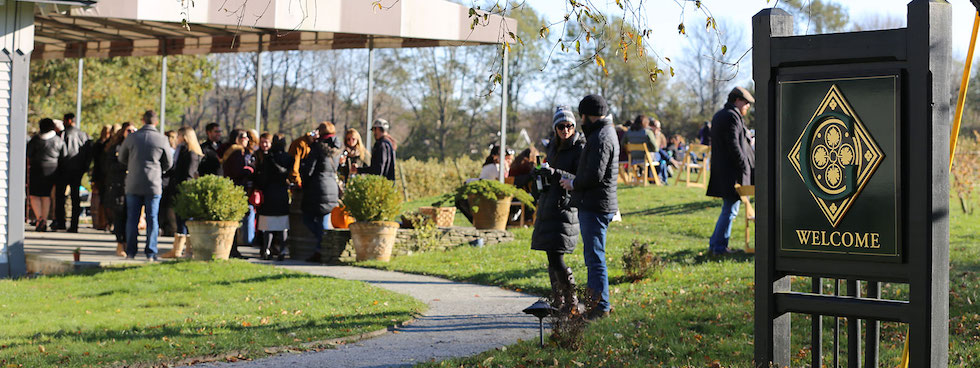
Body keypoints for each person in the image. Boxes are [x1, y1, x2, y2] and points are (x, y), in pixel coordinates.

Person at [559, 94, 618, 321]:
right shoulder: (603, 133)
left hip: (595, 205)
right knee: (594, 256)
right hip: (596, 203)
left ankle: (599, 306)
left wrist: (573, 183)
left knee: (595, 258)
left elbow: (594, 175)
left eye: (582, 116)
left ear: (587, 116)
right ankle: (598, 304)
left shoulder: (601, 137)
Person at [531, 106, 586, 315]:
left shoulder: (579, 148)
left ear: (574, 126)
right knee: (550, 256)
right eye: (561, 126)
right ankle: (558, 300)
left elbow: (578, 178)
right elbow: (552, 174)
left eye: (569, 125)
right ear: (555, 128)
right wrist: (541, 174)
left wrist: (554, 173)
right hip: (549, 204)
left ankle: (571, 300)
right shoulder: (553, 147)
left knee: (557, 257)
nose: (565, 130)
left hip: (565, 207)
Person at [706, 87, 756, 256]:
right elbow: (734, 144)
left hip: (725, 170)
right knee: (730, 209)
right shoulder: (731, 117)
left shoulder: (722, 115)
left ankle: (716, 244)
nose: (747, 106)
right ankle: (719, 247)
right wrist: (743, 165)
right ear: (737, 100)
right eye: (746, 102)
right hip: (732, 172)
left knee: (729, 208)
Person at [118, 110, 172, 261]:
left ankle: (131, 252)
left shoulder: (132, 138)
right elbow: (169, 162)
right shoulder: (162, 139)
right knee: (152, 218)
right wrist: (158, 168)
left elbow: (122, 157)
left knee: (132, 219)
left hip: (134, 182)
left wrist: (132, 164)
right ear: (156, 122)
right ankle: (151, 252)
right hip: (153, 183)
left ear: (142, 120)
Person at [300, 123, 342, 263]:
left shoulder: (318, 148)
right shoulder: (337, 148)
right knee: (324, 219)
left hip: (318, 187)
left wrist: (303, 183)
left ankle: (321, 248)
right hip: (331, 187)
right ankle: (322, 249)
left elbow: (309, 169)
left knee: (307, 218)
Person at [160, 126, 203, 259]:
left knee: (184, 220)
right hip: (179, 189)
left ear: (184, 137)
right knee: (180, 220)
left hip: (184, 191)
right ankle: (178, 250)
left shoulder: (190, 153)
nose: (176, 138)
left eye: (178, 135)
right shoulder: (182, 151)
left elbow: (188, 175)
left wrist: (182, 190)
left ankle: (186, 251)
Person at [253, 133, 293, 261]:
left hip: (269, 194)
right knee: (282, 226)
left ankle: (266, 249)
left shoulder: (267, 158)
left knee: (267, 226)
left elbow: (262, 178)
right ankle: (282, 250)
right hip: (282, 194)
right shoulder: (288, 158)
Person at [26, 118, 67, 232]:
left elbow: (28, 153)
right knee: (46, 195)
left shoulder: (35, 140)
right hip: (53, 170)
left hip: (36, 169)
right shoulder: (58, 140)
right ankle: (44, 218)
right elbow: (64, 155)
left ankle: (39, 218)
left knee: (34, 195)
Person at [53, 113, 91, 232]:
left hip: (63, 169)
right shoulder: (83, 135)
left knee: (60, 197)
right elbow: (88, 154)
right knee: (75, 197)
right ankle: (74, 225)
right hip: (77, 170)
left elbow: (60, 152)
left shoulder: (63, 134)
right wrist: (84, 167)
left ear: (69, 121)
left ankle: (61, 222)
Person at [222, 129, 256, 258]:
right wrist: (250, 169)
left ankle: (232, 249)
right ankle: (232, 250)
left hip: (233, 188)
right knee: (235, 222)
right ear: (237, 139)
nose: (247, 140)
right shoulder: (236, 152)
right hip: (236, 189)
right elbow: (237, 171)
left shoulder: (231, 151)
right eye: (244, 137)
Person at [104, 123, 134, 256]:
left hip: (133, 185)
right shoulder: (115, 147)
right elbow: (109, 166)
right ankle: (120, 243)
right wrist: (125, 167)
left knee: (131, 216)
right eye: (129, 130)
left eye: (134, 130)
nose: (131, 132)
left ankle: (129, 243)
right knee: (120, 216)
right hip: (118, 185)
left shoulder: (136, 146)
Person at [287, 122, 330, 187]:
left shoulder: (315, 145)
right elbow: (294, 166)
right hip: (299, 185)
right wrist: (298, 182)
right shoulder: (301, 144)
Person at [90, 124, 114, 231]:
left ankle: (103, 222)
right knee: (104, 200)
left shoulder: (101, 145)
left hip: (102, 176)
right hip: (103, 176)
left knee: (103, 200)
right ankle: (103, 221)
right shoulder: (102, 145)